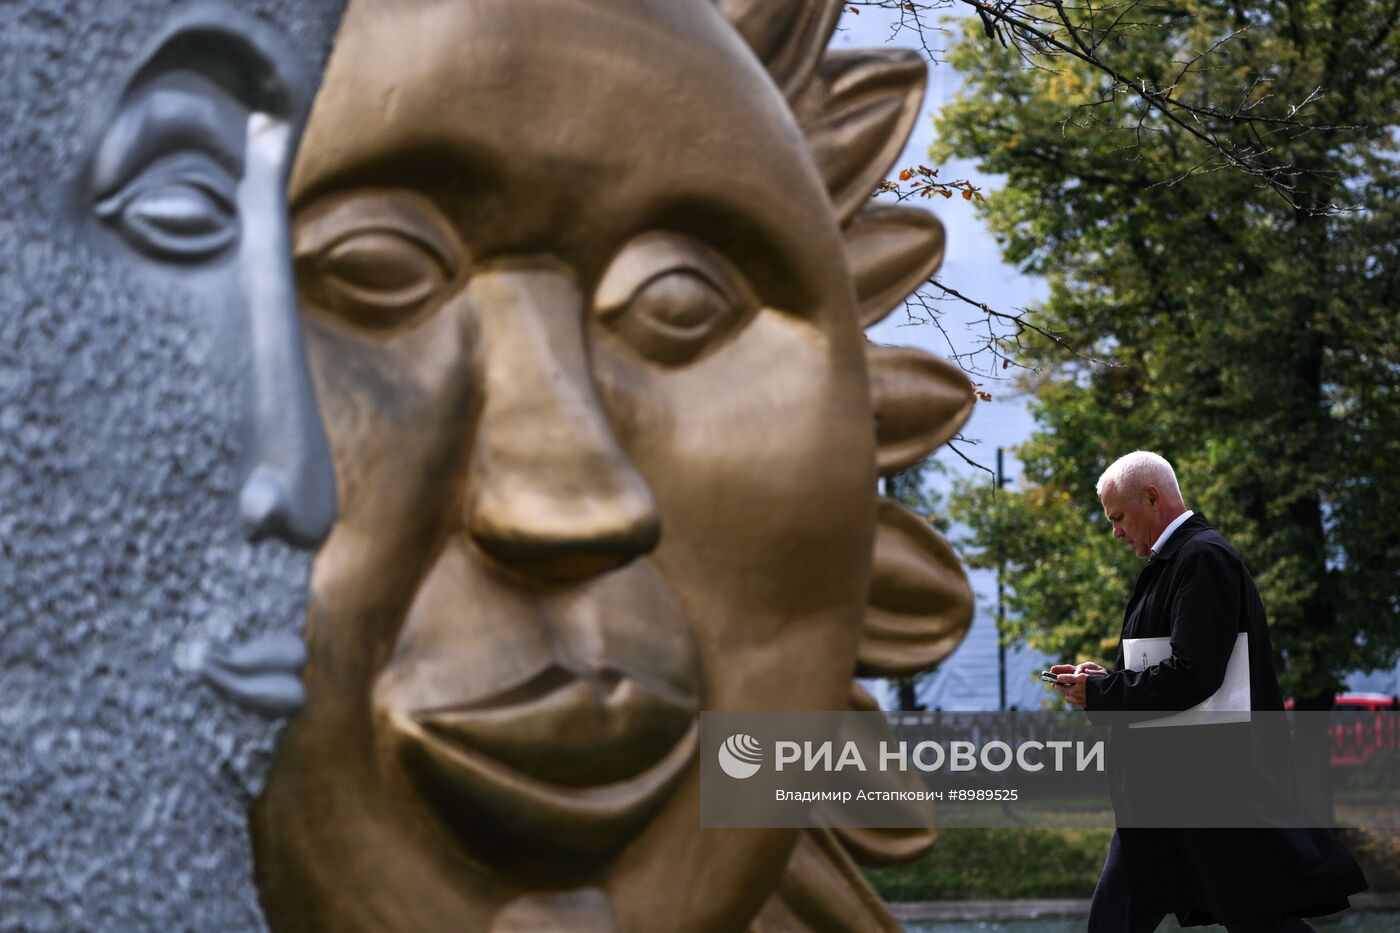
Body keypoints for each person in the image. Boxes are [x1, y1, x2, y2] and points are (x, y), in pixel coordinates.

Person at [1052, 451, 1366, 932]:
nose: (1115, 532)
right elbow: (1170, 664)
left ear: (1152, 498)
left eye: (1117, 518)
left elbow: (1194, 674)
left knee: (1253, 919)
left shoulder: (1200, 559)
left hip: (1200, 789)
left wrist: (1103, 694)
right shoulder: (1179, 561)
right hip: (1173, 789)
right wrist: (1102, 680)